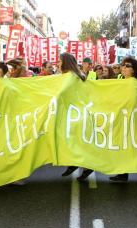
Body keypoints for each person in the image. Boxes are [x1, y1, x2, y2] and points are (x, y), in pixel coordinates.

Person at [109, 57, 137, 184]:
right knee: (123, 148)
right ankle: (123, 174)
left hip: (135, 122)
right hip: (122, 120)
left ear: (134, 70)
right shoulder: (121, 83)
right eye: (122, 65)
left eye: (127, 66)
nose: (123, 68)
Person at [58, 53, 93, 182]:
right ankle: (79, 165)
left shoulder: (69, 77)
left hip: (74, 115)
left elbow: (59, 92)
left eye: (59, 61)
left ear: (65, 63)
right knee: (77, 143)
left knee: (69, 140)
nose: (58, 63)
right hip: (78, 113)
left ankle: (82, 165)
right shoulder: (76, 75)